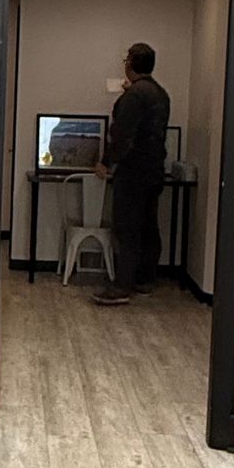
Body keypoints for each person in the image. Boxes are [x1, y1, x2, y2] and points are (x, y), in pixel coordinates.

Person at [93, 41, 170, 307]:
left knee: (126, 228)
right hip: (154, 171)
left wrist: (106, 163)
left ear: (129, 64)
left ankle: (121, 286)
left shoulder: (134, 96)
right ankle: (144, 280)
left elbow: (122, 135)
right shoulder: (160, 93)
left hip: (133, 173)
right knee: (149, 226)